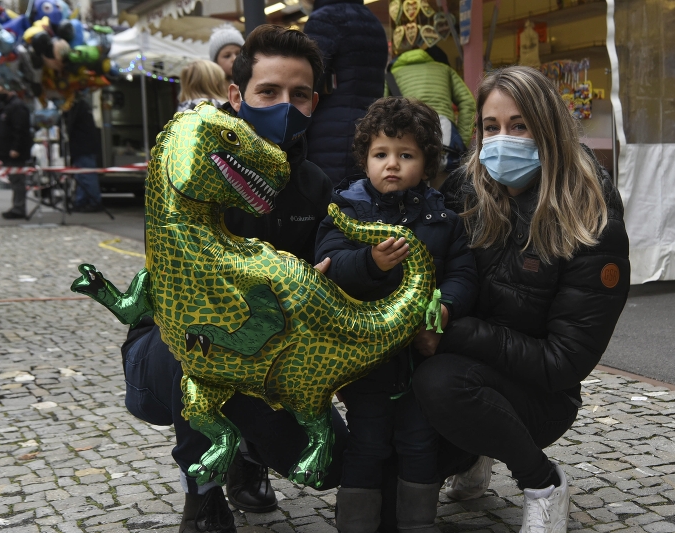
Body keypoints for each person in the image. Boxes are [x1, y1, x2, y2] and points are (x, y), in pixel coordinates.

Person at [120, 25, 336, 533]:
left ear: (314, 102)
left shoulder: (315, 186)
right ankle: (202, 495)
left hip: (261, 349)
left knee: (334, 464)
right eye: (269, 92)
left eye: (298, 94)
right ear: (236, 95)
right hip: (169, 346)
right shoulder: (193, 168)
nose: (284, 105)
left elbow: (326, 272)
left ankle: (248, 455)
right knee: (196, 344)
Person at [412, 66, 630, 533]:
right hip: (467, 360)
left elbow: (563, 362)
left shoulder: (590, 216)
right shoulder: (463, 190)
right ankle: (470, 451)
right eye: (491, 127)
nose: (502, 139)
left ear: (547, 128)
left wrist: (456, 331)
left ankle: (543, 481)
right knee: (405, 466)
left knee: (441, 383)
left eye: (519, 125)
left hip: (540, 392)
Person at [315, 97, 477, 533]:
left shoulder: (443, 218)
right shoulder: (346, 210)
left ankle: (418, 521)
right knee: (366, 442)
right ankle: (356, 521)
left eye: (406, 155)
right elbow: (330, 266)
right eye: (380, 154)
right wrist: (371, 263)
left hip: (422, 359)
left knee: (419, 440)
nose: (392, 165)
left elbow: (463, 273)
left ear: (426, 165)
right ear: (364, 159)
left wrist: (445, 306)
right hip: (366, 361)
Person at [302, 0, 388, 188]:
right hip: (368, 126)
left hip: (327, 132)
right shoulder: (373, 21)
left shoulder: (325, 19)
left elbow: (307, 79)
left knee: (328, 198)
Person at [384, 46, 475, 186]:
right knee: (444, 190)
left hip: (408, 135)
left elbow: (383, 110)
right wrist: (460, 140)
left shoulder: (392, 75)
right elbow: (468, 102)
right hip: (444, 134)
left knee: (409, 186)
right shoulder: (444, 69)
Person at [0, 85, 32, 219]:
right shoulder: (7, 106)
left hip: (14, 152)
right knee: (14, 180)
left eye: (0, 88)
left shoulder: (16, 107)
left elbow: (20, 129)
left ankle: (19, 208)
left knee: (18, 180)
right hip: (6, 151)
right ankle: (17, 207)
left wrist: (16, 148)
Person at [65, 94, 104, 212]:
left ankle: (93, 201)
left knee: (86, 175)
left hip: (82, 147)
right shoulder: (82, 106)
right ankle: (82, 201)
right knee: (82, 176)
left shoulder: (77, 108)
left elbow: (70, 124)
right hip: (83, 147)